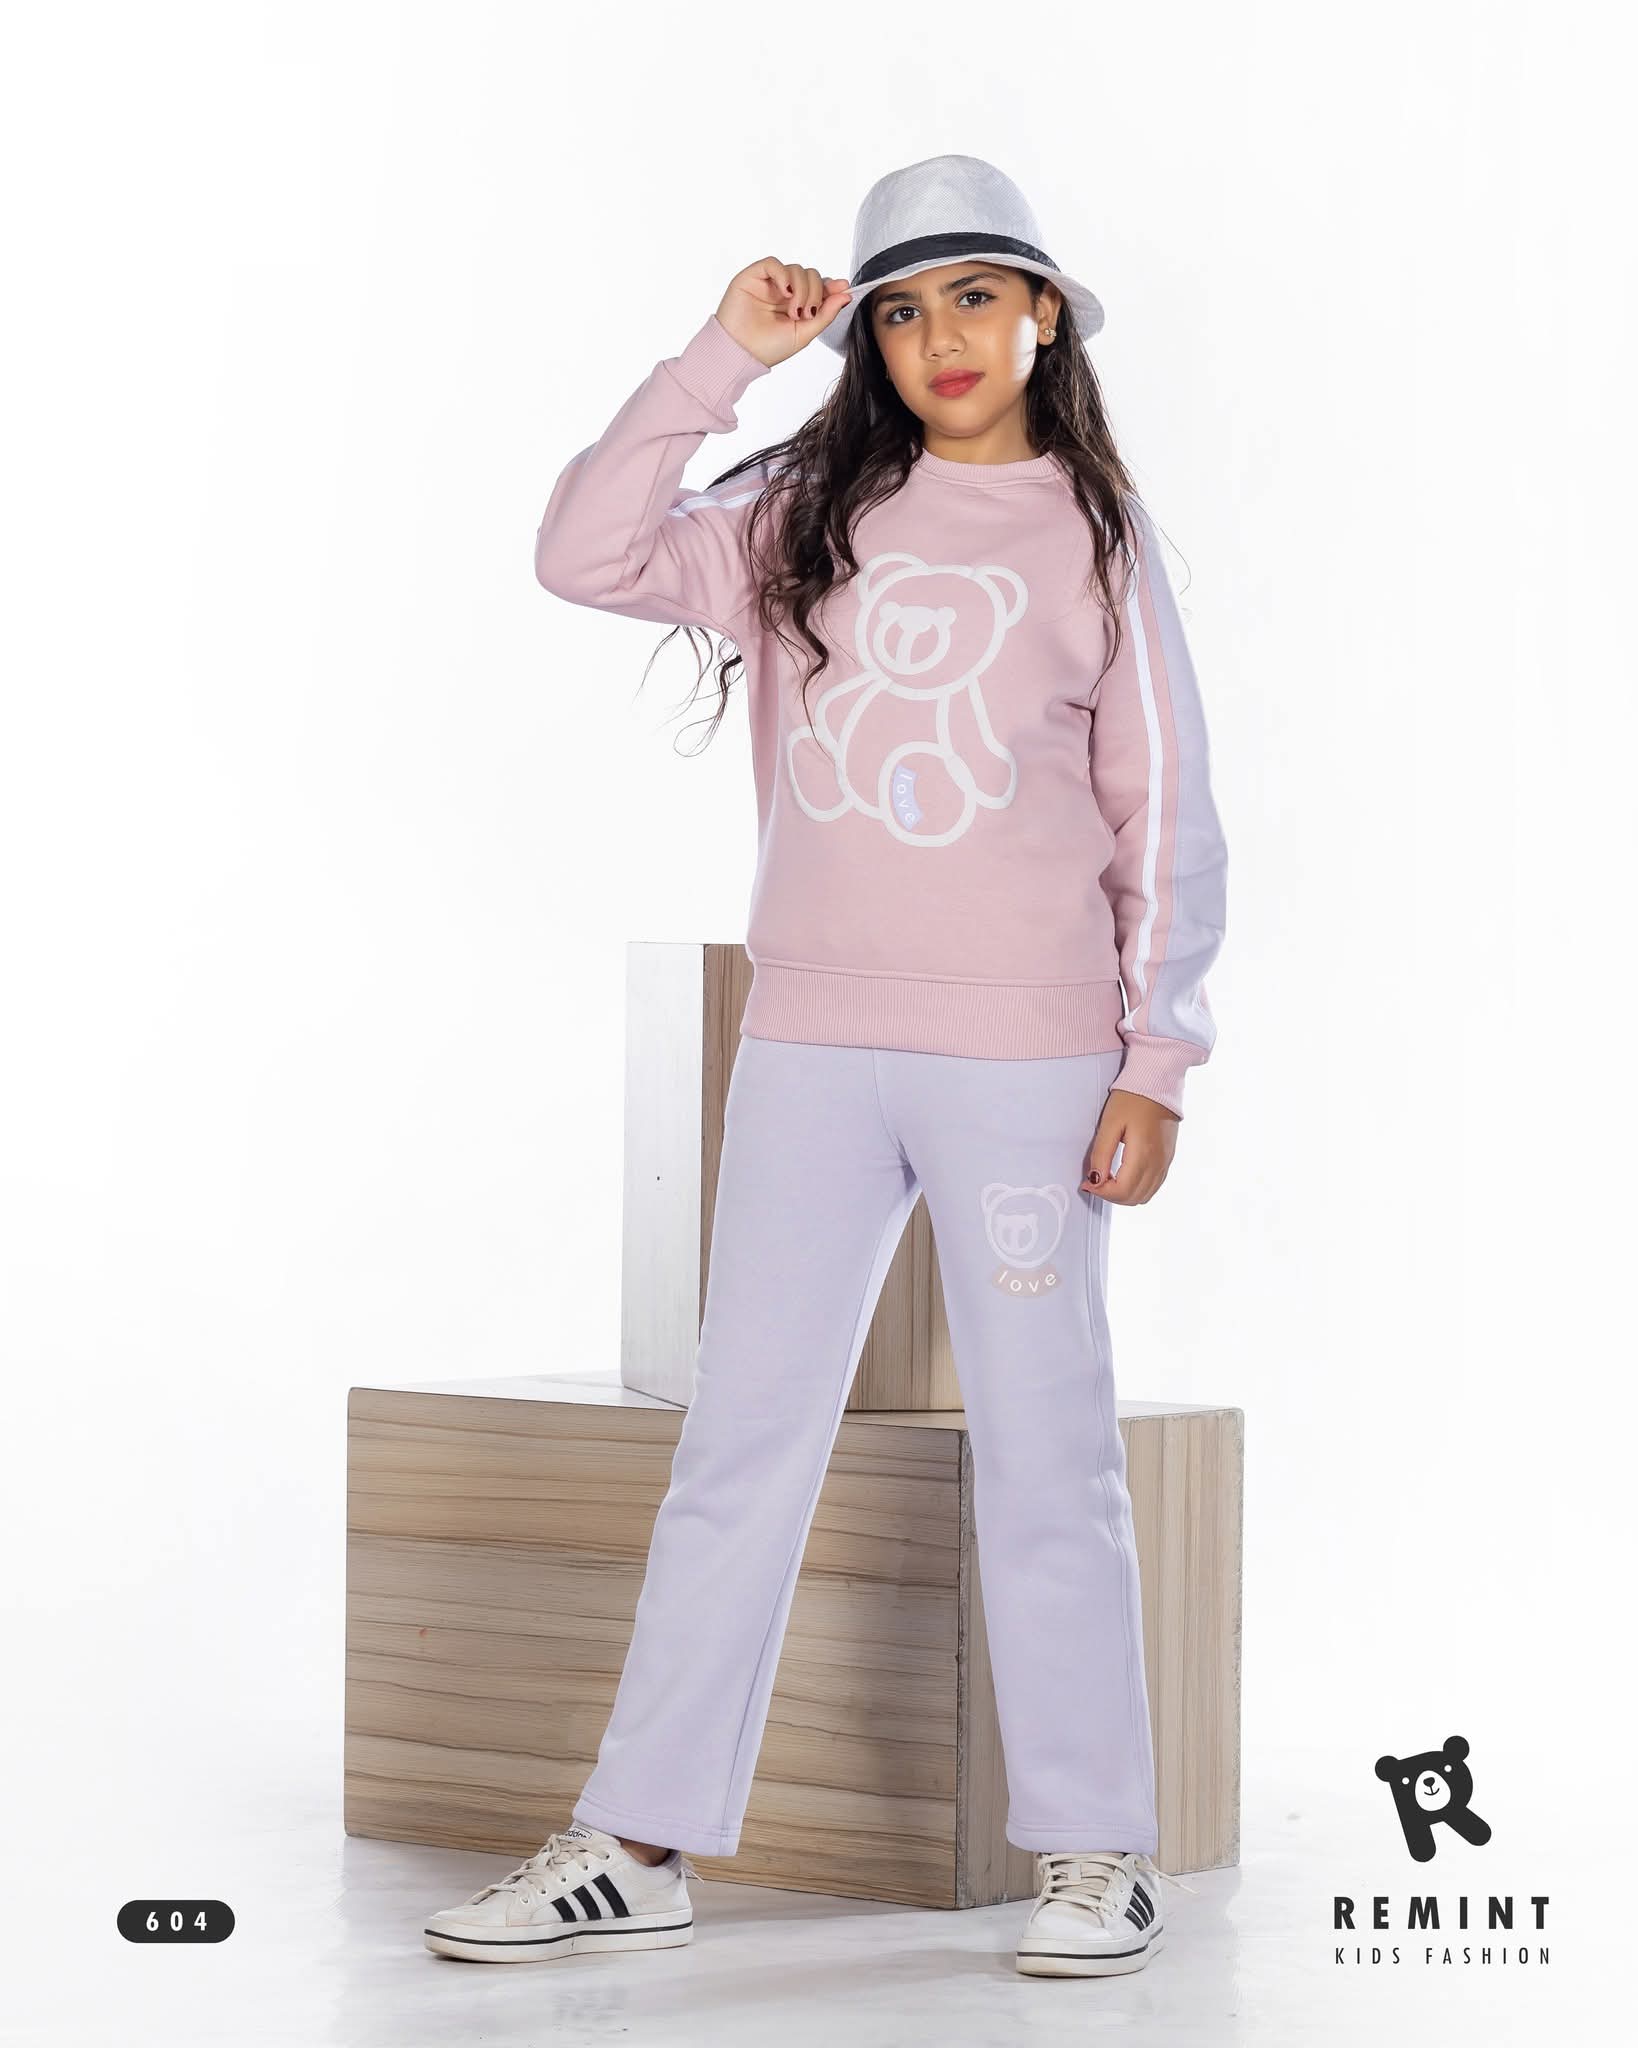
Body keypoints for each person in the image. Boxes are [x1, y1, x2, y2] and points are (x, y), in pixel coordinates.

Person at [424, 153, 1226, 1981]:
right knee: (740, 1443)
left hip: (1027, 1063)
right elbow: (583, 553)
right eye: (901, 308)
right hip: (806, 1045)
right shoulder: (801, 505)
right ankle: (638, 1841)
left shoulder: (1093, 537)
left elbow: (1164, 810)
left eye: (974, 297)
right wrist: (721, 355)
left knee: (1050, 1453)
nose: (940, 337)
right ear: (865, 340)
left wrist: (1156, 1058)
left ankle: (1096, 1849)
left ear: (1041, 317)